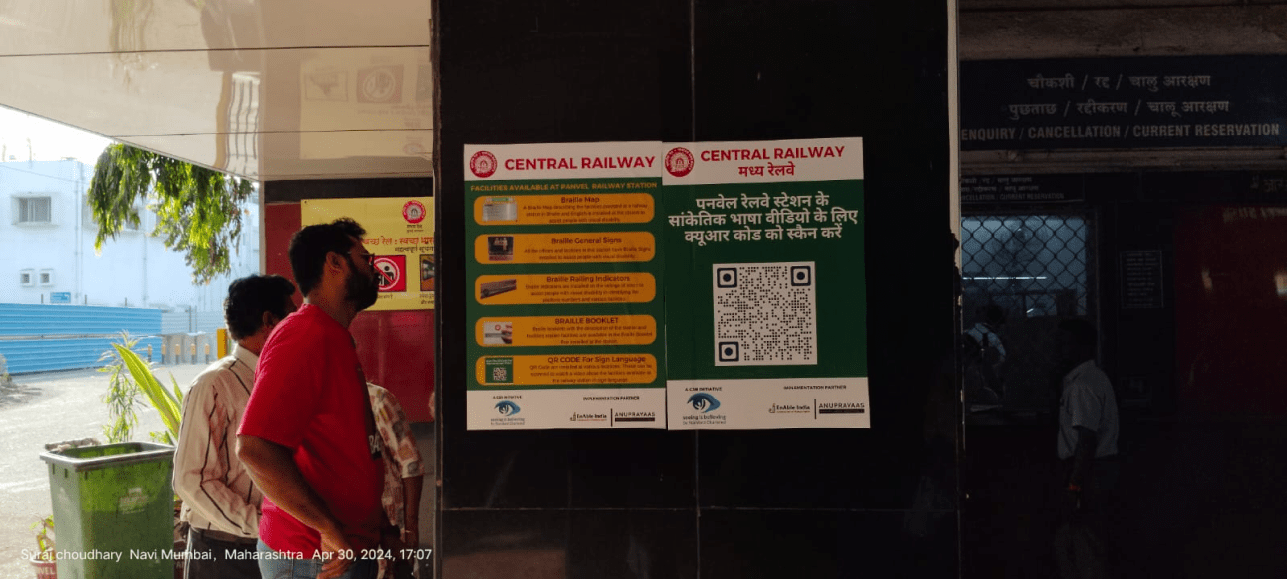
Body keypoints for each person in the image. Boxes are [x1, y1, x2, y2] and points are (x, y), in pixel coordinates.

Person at [237, 218, 386, 579]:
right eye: (365, 258)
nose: (374, 268)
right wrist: (328, 529)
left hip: (339, 551)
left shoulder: (333, 336)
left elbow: (347, 451)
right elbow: (254, 447)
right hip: (311, 558)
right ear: (335, 263)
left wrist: (382, 531)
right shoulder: (304, 336)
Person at [173, 274, 297, 579]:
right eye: (291, 318)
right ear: (269, 321)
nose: (298, 329)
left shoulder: (279, 380)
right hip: (222, 551)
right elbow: (192, 480)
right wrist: (262, 525)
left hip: (272, 544)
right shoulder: (215, 384)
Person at [1053, 318, 1120, 578]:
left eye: (1063, 344)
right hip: (1098, 469)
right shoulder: (1095, 378)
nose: (1058, 350)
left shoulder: (1081, 386)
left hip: (1087, 471)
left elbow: (1086, 440)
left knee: (1083, 545)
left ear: (1080, 347)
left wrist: (1074, 485)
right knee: (1080, 541)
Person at [366, 383, 425, 579]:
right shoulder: (320, 402)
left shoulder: (378, 400)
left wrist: (410, 528)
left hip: (389, 523)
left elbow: (411, 463)